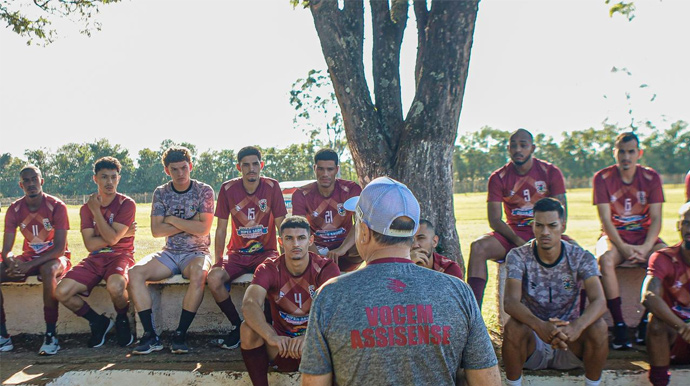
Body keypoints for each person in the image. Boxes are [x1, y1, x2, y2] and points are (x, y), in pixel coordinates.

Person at [299, 177, 500, 386]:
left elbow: (314, 382)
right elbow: (487, 380)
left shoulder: (332, 296)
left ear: (364, 232)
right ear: (412, 234)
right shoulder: (458, 292)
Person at [503, 198, 608, 386]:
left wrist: (577, 326)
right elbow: (511, 302)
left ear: (563, 226)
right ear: (532, 225)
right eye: (539, 225)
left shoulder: (581, 257)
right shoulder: (518, 256)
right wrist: (539, 326)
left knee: (598, 327)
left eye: (552, 226)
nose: (545, 232)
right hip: (534, 340)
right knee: (513, 327)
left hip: (570, 340)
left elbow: (599, 301)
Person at [467, 128, 570, 308]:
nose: (518, 150)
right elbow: (495, 219)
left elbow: (562, 218)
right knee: (478, 247)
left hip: (544, 232)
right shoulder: (499, 177)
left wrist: (543, 239)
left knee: (578, 254)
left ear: (533, 148)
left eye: (523, 145)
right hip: (513, 234)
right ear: (508, 149)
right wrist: (517, 240)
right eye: (513, 146)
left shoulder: (550, 172)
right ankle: (473, 314)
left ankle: (580, 314)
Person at [128, 146, 215, 355]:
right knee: (134, 272)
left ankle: (180, 334)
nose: (180, 173)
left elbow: (204, 228)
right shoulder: (161, 192)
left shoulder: (204, 190)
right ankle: (150, 335)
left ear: (191, 166)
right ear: (167, 170)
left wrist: (173, 219)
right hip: (170, 252)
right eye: (174, 169)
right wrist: (190, 221)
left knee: (199, 273)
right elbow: (156, 231)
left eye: (184, 168)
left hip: (197, 252)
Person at [240, 216, 340, 386]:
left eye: (301, 238)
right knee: (247, 328)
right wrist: (271, 336)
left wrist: (308, 337)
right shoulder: (269, 268)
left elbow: (337, 310)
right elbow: (250, 303)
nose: (295, 244)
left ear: (310, 240)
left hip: (315, 347)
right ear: (281, 242)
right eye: (289, 238)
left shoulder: (325, 267)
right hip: (281, 346)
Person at [207, 146, 287, 350]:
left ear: (261, 165)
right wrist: (218, 260)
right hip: (236, 255)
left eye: (255, 164)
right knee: (214, 279)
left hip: (266, 253)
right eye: (246, 165)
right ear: (238, 167)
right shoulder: (227, 189)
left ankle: (269, 325)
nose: (251, 169)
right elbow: (221, 228)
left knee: (275, 278)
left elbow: (281, 224)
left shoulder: (272, 186)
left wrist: (285, 258)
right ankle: (237, 325)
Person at [593, 131, 666, 349]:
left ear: (639, 153)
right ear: (614, 153)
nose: (626, 156)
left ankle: (646, 320)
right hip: (615, 237)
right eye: (622, 151)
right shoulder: (603, 177)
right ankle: (620, 325)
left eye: (631, 151)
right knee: (605, 260)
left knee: (663, 258)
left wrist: (645, 247)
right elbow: (605, 220)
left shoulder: (651, 177)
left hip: (644, 236)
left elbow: (656, 219)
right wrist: (623, 247)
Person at [55, 156, 136, 348]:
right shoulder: (85, 209)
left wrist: (97, 212)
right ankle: (98, 322)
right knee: (61, 291)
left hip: (120, 256)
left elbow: (113, 241)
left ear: (119, 178)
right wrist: (115, 235)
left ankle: (122, 319)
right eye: (104, 177)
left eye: (113, 177)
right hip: (95, 258)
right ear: (95, 179)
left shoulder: (126, 204)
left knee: (116, 286)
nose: (109, 182)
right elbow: (90, 245)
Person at [0, 166, 71, 355]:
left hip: (56, 258)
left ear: (42, 181)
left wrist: (28, 265)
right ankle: (3, 336)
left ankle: (51, 334)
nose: (31, 184)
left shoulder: (56, 206)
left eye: (34, 179)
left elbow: (59, 249)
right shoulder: (14, 209)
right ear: (21, 185)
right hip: (29, 257)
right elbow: (6, 250)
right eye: (26, 181)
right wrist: (11, 263)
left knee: (48, 271)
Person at [641, 202, 690, 386]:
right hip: (675, 335)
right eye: (687, 223)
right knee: (656, 322)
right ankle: (660, 382)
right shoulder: (664, 257)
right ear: (679, 226)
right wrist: (682, 327)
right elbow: (648, 296)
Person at [291, 148, 362, 272]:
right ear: (314, 169)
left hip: (345, 248)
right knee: (291, 238)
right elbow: (300, 229)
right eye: (321, 169)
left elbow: (361, 222)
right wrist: (318, 257)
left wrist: (342, 249)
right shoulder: (301, 194)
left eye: (330, 169)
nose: (325, 174)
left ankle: (370, 278)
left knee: (368, 237)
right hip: (315, 248)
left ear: (337, 170)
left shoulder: (351, 189)